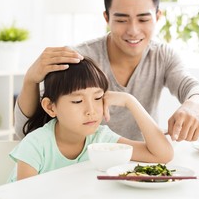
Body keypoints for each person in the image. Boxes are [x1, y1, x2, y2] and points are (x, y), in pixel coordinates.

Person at [14, 0, 199, 142]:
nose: (133, 30)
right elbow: (26, 133)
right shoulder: (80, 58)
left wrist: (193, 105)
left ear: (157, 17)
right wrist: (31, 79)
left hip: (141, 163)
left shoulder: (162, 56)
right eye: (122, 20)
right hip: (85, 165)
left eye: (143, 19)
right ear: (106, 18)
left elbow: (194, 88)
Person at [9, 57, 173, 181]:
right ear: (51, 107)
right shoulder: (36, 145)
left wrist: (130, 101)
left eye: (98, 98)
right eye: (77, 101)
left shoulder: (101, 138)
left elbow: (161, 155)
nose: (91, 110)